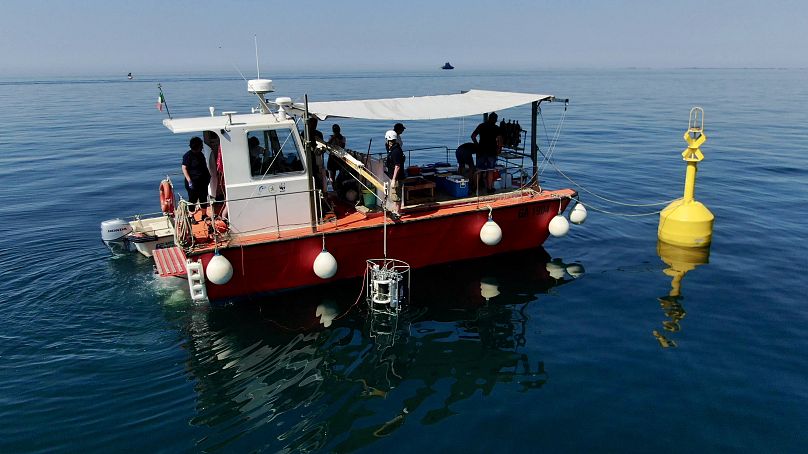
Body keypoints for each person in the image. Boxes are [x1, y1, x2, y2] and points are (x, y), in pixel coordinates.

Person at [471, 112, 503, 194]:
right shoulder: (496, 128)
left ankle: (475, 188)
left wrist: (477, 145)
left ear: (488, 118)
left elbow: (473, 136)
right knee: (490, 170)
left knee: (478, 170)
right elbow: (499, 141)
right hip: (491, 152)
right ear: (495, 119)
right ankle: (489, 189)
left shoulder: (481, 126)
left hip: (481, 151)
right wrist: (499, 150)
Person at [182, 136, 211, 210]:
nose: (202, 148)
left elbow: (204, 166)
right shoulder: (188, 156)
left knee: (203, 198)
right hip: (193, 181)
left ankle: (204, 215)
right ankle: (192, 215)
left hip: (203, 181)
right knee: (193, 199)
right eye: (201, 146)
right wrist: (189, 180)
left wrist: (208, 177)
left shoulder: (201, 154)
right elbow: (184, 168)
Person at [384, 130, 405, 214]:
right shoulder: (393, 149)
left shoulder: (396, 151)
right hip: (394, 176)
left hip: (397, 178)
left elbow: (397, 166)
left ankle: (397, 212)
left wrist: (393, 179)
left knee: (396, 195)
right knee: (394, 194)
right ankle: (396, 210)